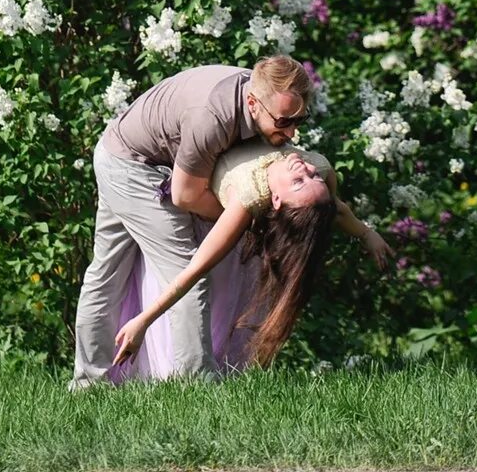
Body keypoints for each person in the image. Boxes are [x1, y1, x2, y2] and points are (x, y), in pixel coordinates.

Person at [69, 55, 312, 389]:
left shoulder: (258, 95)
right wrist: (245, 221)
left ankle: (88, 383)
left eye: (300, 119)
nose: (293, 133)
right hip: (132, 168)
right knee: (187, 273)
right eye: (284, 121)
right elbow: (186, 196)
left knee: (106, 272)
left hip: (122, 152)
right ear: (253, 103)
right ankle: (196, 384)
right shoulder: (212, 117)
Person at [108, 139, 391, 378]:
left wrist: (144, 320)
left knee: (209, 305)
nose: (305, 169)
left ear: (277, 200)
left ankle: (182, 374)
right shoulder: (320, 168)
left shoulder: (249, 197)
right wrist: (367, 234)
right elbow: (336, 209)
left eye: (298, 181)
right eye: (311, 177)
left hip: (204, 224)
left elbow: (193, 270)